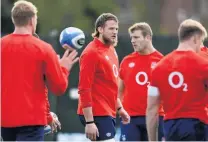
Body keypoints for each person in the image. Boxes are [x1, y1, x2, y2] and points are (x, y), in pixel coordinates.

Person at [1, 0, 79, 141]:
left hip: (5, 120)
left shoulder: (1, 45)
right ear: (32, 20)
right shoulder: (43, 48)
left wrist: (48, 116)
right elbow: (59, 87)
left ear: (14, 20)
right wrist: (64, 68)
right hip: (32, 121)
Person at [146, 19, 208, 141]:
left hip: (170, 129)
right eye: (200, 41)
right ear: (195, 39)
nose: (200, 47)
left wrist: (152, 140)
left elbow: (151, 108)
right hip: (197, 127)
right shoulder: (203, 65)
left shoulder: (159, 67)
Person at [77, 13, 130, 141]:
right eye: (111, 29)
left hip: (108, 111)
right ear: (100, 29)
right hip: (97, 114)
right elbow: (84, 89)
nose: (115, 32)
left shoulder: (111, 49)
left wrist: (120, 108)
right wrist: (90, 122)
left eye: (116, 29)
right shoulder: (91, 53)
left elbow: (110, 85)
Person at [118, 22, 165, 141]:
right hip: (130, 119)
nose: (133, 41)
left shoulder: (162, 61)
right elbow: (118, 91)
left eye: (136, 37)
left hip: (156, 117)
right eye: (131, 38)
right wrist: (119, 110)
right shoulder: (127, 61)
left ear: (148, 37)